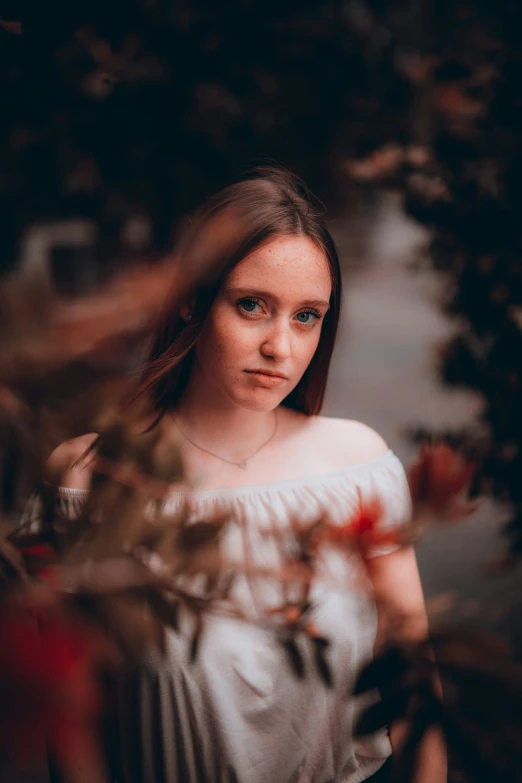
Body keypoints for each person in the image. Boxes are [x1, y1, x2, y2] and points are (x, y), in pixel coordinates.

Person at [38, 167, 445, 782]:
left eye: (307, 317)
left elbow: (415, 683)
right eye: (252, 305)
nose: (280, 347)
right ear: (189, 301)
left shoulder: (358, 465)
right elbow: (63, 715)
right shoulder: (86, 479)